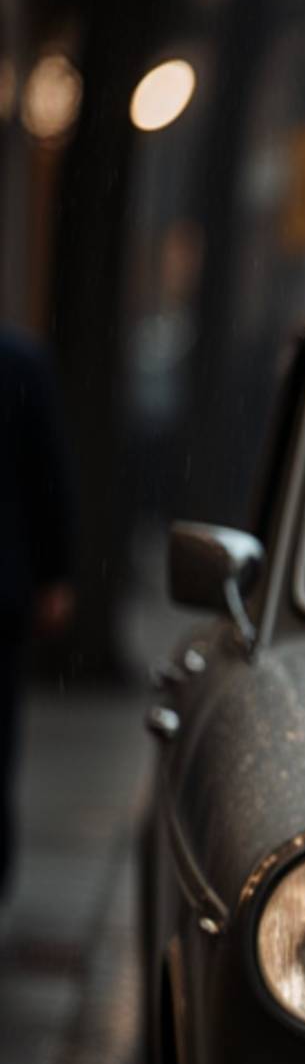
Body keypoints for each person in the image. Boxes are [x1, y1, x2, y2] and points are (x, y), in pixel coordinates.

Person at [0, 323, 78, 907]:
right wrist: (54, 573)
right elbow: (49, 476)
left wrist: (54, 572)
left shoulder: (21, 364)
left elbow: (48, 477)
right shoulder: (20, 363)